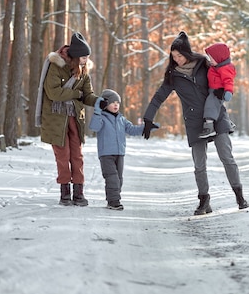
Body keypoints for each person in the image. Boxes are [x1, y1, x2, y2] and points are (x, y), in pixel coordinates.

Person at [142, 31, 249, 215]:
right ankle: (204, 201)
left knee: (227, 158)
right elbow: (158, 97)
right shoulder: (173, 76)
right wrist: (148, 118)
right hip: (194, 123)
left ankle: (239, 196)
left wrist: (223, 93)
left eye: (180, 55)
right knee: (199, 164)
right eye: (173, 56)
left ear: (187, 53)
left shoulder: (204, 65)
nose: (177, 60)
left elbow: (224, 75)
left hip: (216, 117)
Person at [35, 32, 100, 206]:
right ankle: (65, 193)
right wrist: (75, 94)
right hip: (56, 118)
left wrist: (99, 101)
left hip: (75, 118)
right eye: (84, 57)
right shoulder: (56, 66)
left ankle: (79, 193)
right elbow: (53, 92)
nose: (86, 60)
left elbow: (87, 95)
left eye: (87, 57)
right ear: (76, 55)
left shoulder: (84, 71)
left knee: (77, 156)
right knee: (63, 156)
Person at [89, 89, 159, 210]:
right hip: (106, 154)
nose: (116, 104)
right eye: (112, 102)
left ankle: (114, 199)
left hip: (120, 153)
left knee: (119, 179)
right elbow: (94, 127)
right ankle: (113, 201)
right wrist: (97, 111)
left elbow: (132, 130)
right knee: (112, 177)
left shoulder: (121, 119)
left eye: (118, 102)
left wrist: (146, 128)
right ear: (105, 104)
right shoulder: (101, 118)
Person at [199, 42, 236, 139]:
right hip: (212, 90)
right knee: (218, 108)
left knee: (210, 105)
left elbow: (229, 81)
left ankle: (209, 127)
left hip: (218, 92)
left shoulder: (225, 69)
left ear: (219, 58)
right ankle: (227, 123)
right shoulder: (216, 66)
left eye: (212, 58)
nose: (210, 60)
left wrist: (228, 91)